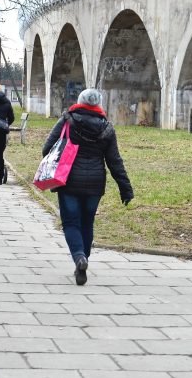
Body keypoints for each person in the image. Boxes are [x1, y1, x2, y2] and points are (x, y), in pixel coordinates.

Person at [41, 88, 134, 286]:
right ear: (98, 103)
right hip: (95, 182)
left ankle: (79, 257)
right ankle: (83, 260)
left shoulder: (68, 120)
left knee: (71, 223)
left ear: (80, 100)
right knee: (87, 223)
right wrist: (125, 188)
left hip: (69, 180)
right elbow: (114, 161)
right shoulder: (107, 128)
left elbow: (46, 149)